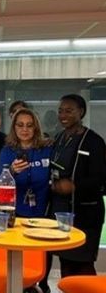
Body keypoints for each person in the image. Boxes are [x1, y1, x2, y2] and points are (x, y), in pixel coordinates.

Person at [49, 94, 106, 279]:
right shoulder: (59, 138)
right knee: (66, 263)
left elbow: (100, 179)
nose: (63, 115)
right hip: (61, 209)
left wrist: (73, 186)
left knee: (81, 265)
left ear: (81, 112)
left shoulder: (94, 142)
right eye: (60, 111)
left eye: (69, 110)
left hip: (84, 213)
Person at [0, 108, 52, 217]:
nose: (25, 129)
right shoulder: (7, 151)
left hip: (44, 212)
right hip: (14, 212)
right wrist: (11, 171)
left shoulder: (47, 149)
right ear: (14, 127)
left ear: (35, 128)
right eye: (20, 125)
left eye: (29, 125)